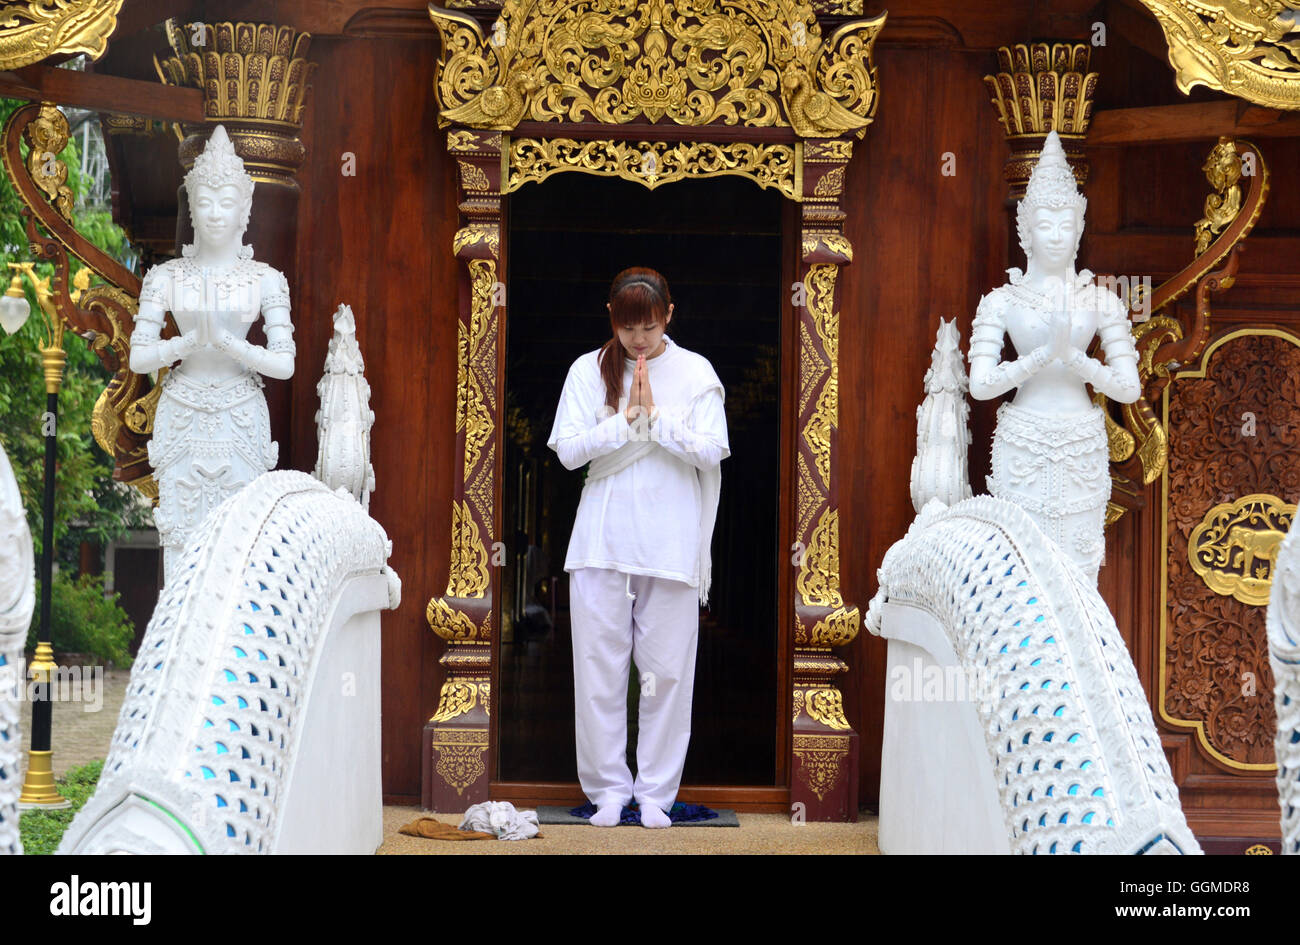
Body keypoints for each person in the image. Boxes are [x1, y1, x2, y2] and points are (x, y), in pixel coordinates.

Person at [546, 267, 730, 828]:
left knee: (668, 675)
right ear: (612, 317)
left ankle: (655, 793)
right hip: (601, 542)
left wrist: (658, 421)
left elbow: (713, 450)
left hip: (671, 546)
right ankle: (606, 790)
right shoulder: (586, 371)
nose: (639, 340)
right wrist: (625, 423)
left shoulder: (697, 372)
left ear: (669, 315)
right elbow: (567, 451)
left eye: (649, 326)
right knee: (599, 671)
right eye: (629, 328)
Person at [967, 130, 1140, 584]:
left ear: (1080, 227)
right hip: (1022, 441)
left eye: (1066, 224)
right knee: (1021, 573)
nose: (1057, 236)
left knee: (1079, 573)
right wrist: (1042, 356)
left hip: (1082, 441)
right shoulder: (1001, 301)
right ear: (1024, 229)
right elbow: (981, 386)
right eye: (1045, 224)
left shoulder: (1101, 300)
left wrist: (1075, 359)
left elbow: (1129, 387)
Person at [129, 125, 295, 583]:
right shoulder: (165, 276)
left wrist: (229, 343)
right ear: (192, 209)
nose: (216, 214)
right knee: (181, 536)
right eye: (205, 203)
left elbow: (285, 363)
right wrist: (187, 343)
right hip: (181, 413)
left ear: (245, 210)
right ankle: (177, 644)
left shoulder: (266, 278)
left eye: (227, 203)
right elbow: (139, 358)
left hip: (241, 415)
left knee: (239, 541)